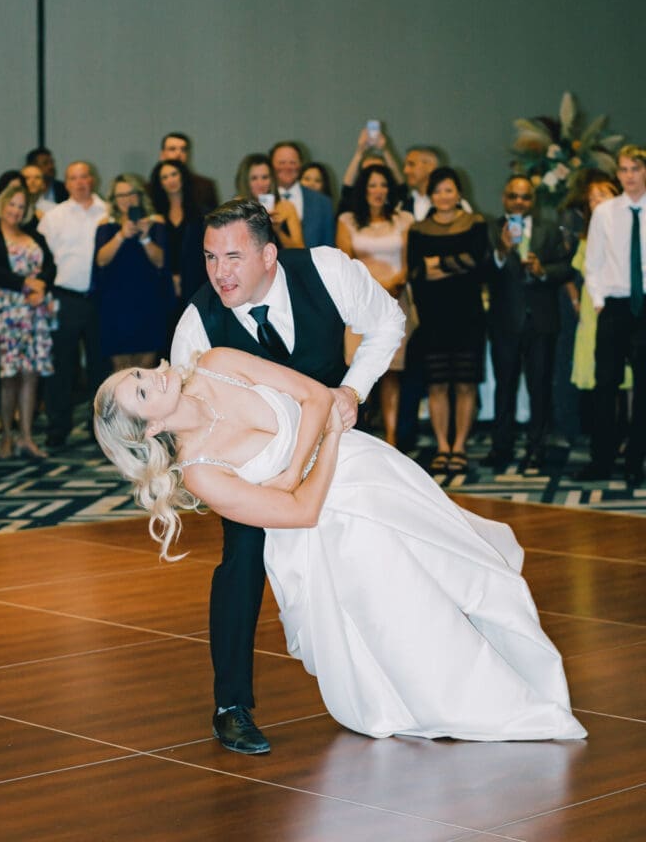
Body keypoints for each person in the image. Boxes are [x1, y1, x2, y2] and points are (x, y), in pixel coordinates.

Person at [94, 346, 586, 744]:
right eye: (140, 391)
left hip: (369, 468)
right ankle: (476, 701)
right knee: (411, 613)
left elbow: (313, 394)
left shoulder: (217, 363)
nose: (151, 376)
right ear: (151, 429)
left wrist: (292, 470)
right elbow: (302, 512)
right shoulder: (201, 472)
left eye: (139, 371)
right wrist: (326, 440)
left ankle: (523, 674)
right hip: (326, 533)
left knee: (466, 573)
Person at [170, 199, 404, 754]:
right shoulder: (197, 324)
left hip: (337, 451)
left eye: (232, 256)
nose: (219, 272)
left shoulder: (324, 269)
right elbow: (186, 425)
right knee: (241, 561)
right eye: (209, 258)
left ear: (269, 254)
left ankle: (394, 674)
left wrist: (353, 390)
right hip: (254, 475)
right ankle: (231, 705)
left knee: (378, 554)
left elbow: (387, 321)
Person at [485, 175, 573, 472]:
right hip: (505, 321)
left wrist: (542, 269)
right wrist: (501, 252)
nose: (519, 202)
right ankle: (501, 448)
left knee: (540, 388)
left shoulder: (549, 230)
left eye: (524, 197)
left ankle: (536, 449)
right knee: (504, 387)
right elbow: (482, 270)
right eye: (513, 196)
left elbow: (566, 267)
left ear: (532, 201)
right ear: (504, 198)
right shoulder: (493, 230)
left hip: (542, 321)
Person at [407, 167, 489, 474]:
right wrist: (456, 265)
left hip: (468, 315)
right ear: (431, 194)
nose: (444, 196)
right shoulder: (418, 229)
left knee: (466, 383)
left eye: (449, 190)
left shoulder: (475, 223)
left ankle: (460, 447)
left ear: (459, 193)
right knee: (438, 384)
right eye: (438, 190)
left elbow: (480, 263)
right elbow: (415, 272)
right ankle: (442, 446)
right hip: (433, 316)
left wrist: (439, 264)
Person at [581, 145, 646, 488]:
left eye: (635, 168)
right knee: (605, 385)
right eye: (623, 169)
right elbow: (593, 262)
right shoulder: (605, 211)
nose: (629, 175)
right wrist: (599, 299)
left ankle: (636, 460)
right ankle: (602, 460)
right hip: (615, 306)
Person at [336, 164, 414, 445]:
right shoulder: (348, 220)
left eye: (383, 185)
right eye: (372, 185)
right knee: (358, 367)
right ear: (363, 190)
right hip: (359, 302)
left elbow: (408, 260)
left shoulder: (403, 219)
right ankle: (362, 438)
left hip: (395, 299)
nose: (378, 191)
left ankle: (392, 438)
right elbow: (345, 260)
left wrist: (395, 285)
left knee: (392, 369)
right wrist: (371, 290)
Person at [0, 184, 56, 459]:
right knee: (8, 377)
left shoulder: (33, 234)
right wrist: (26, 284)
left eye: (22, 207)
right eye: (12, 205)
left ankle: (26, 436)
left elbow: (50, 266)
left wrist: (41, 286)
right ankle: (6, 437)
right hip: (7, 311)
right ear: (2, 205)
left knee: (31, 376)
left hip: (35, 312)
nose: (16, 211)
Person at [38, 161, 108, 448]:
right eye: (73, 178)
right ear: (66, 184)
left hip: (99, 298)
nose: (79, 182)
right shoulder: (53, 217)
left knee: (100, 366)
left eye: (84, 177)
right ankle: (58, 427)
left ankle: (99, 429)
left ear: (93, 179)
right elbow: (42, 259)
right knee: (61, 366)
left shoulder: (108, 212)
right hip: (64, 297)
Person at [569, 178, 631, 430]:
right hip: (591, 311)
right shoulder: (586, 237)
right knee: (599, 377)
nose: (597, 202)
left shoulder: (630, 229)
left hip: (618, 310)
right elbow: (576, 272)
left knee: (625, 377)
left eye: (603, 195)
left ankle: (627, 434)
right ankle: (604, 437)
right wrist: (576, 299)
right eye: (592, 198)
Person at [93, 174, 169, 370]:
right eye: (121, 195)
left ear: (140, 195)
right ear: (113, 200)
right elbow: (101, 260)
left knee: (147, 365)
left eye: (131, 193)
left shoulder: (155, 222)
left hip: (148, 300)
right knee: (121, 368)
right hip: (116, 303)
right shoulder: (106, 224)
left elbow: (161, 261)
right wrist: (121, 235)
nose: (127, 199)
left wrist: (144, 238)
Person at [149, 159, 208, 316]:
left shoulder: (200, 213)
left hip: (196, 282)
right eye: (165, 177)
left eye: (174, 174)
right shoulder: (154, 216)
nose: (171, 180)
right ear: (160, 183)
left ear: (182, 176)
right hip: (162, 285)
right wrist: (171, 277)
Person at [270, 141, 334, 247]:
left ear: (301, 164)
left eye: (293, 162)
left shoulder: (322, 202)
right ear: (271, 165)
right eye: (281, 163)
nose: (287, 167)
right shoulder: (260, 199)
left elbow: (328, 248)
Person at [234, 153, 304, 249]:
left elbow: (300, 249)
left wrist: (278, 231)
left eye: (265, 177)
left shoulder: (286, 207)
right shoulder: (237, 207)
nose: (260, 183)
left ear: (272, 179)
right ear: (246, 181)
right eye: (254, 178)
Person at [159, 132, 218, 213]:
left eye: (183, 149)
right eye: (172, 149)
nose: (178, 154)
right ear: (162, 155)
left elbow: (215, 221)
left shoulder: (204, 186)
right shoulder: (148, 190)